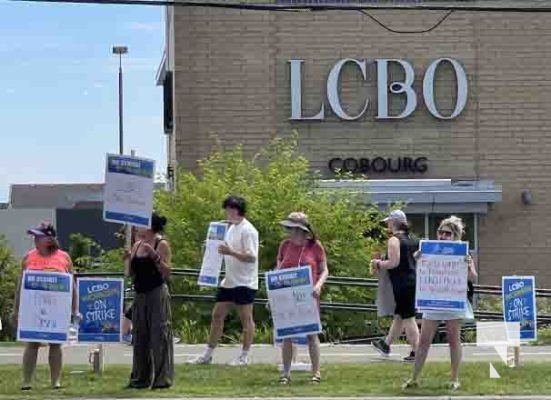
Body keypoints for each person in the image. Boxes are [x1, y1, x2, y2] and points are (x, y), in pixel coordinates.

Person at [403, 215, 477, 391]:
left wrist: (467, 265)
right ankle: (414, 378)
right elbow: (422, 272)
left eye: (447, 233)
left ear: (455, 236)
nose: (443, 236)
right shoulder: (430, 249)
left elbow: (473, 278)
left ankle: (454, 378)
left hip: (452, 300)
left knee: (453, 340)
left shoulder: (462, 252)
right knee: (424, 341)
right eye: (440, 232)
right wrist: (419, 258)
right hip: (433, 301)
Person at [189, 195, 259, 366]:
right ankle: (208, 354)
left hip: (245, 281)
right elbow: (223, 249)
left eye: (228, 209)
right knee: (217, 315)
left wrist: (231, 252)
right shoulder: (230, 228)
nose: (226, 212)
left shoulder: (248, 230)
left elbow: (251, 257)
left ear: (236, 210)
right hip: (229, 280)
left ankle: (244, 356)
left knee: (246, 318)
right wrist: (211, 246)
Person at [13, 223, 77, 390]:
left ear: (49, 239)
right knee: (32, 343)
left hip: (56, 309)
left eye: (38, 236)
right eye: (34, 236)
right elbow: (21, 284)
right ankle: (27, 381)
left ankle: (55, 381)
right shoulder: (28, 257)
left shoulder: (64, 257)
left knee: (55, 344)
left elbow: (72, 285)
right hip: (33, 309)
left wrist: (74, 309)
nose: (35, 239)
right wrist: (16, 309)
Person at [276, 212, 329, 384]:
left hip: (309, 295)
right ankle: (285, 373)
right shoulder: (284, 245)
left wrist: (318, 285)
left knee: (311, 335)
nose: (287, 231)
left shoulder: (315, 246)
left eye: (290, 228)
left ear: (300, 230)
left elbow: (324, 270)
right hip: (287, 294)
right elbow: (279, 268)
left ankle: (316, 372)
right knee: (287, 335)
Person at [124, 212, 174, 390]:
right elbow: (130, 274)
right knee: (140, 337)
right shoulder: (137, 245)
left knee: (159, 335)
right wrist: (128, 259)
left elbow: (167, 272)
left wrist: (155, 256)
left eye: (141, 224)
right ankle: (140, 377)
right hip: (140, 293)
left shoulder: (161, 244)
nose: (137, 227)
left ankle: (162, 378)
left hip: (156, 292)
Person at [370, 210, 419, 362]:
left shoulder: (394, 240)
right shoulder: (412, 239)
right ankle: (386, 344)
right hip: (412, 279)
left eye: (389, 222)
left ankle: (417, 351)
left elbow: (394, 262)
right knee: (399, 315)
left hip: (401, 282)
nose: (388, 225)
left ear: (393, 222)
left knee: (408, 318)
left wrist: (377, 263)